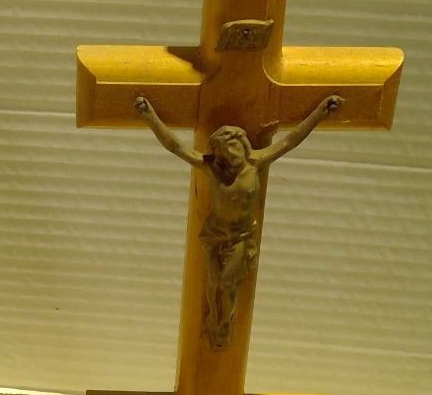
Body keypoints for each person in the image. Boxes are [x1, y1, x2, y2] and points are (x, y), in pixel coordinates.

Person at [134, 93, 343, 349]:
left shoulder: (256, 163)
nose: (231, 155)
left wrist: (320, 112)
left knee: (226, 282)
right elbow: (176, 147)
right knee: (212, 281)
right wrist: (150, 117)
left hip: (240, 237)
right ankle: (213, 317)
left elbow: (290, 140)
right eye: (224, 151)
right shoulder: (213, 169)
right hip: (214, 234)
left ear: (244, 146)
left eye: (233, 148)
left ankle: (226, 321)